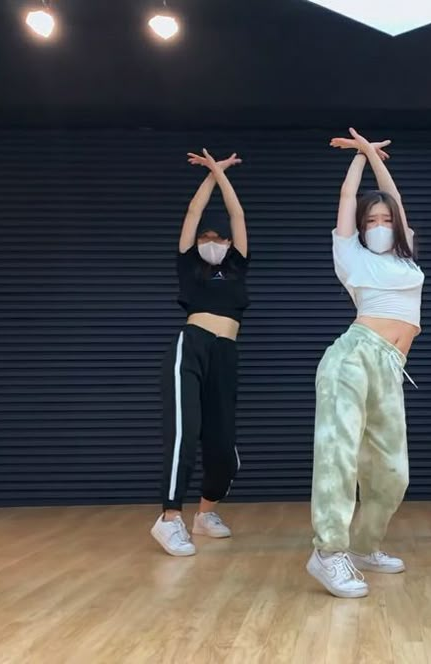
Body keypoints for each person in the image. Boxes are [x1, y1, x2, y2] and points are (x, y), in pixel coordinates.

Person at [306, 129, 424, 597]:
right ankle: (328, 552)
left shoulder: (407, 256)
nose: (379, 222)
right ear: (359, 226)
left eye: (384, 219)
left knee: (393, 471)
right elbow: (348, 195)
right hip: (353, 357)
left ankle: (362, 546)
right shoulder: (350, 253)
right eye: (370, 219)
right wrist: (358, 158)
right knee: (338, 457)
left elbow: (392, 195)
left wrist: (377, 156)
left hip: (391, 368)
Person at [150, 149, 249, 557]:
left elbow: (237, 214)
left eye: (217, 238)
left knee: (224, 449)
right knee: (184, 435)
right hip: (190, 348)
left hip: (226, 354)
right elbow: (193, 213)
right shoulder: (189, 265)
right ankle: (169, 518)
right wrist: (209, 174)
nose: (211, 242)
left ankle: (205, 514)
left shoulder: (238, 265)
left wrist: (223, 175)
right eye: (206, 238)